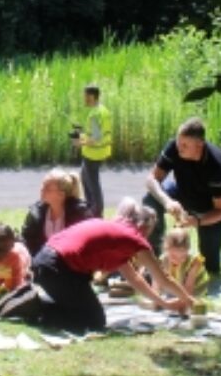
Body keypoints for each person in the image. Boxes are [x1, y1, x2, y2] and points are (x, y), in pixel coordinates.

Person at [21, 198, 196, 333]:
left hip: (46, 262)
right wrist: (189, 300)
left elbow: (135, 278)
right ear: (142, 226)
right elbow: (163, 279)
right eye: (148, 232)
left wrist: (163, 303)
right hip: (58, 267)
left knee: (86, 312)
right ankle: (35, 308)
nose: (147, 237)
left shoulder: (118, 233)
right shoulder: (133, 238)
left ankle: (33, 303)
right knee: (93, 321)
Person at [142, 117, 221, 278]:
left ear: (199, 145)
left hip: (209, 209)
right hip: (181, 194)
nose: (179, 148)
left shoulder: (220, 165)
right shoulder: (174, 148)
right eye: (178, 142)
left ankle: (204, 268)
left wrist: (196, 221)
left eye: (184, 145)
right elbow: (151, 179)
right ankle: (154, 261)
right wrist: (167, 201)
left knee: (210, 267)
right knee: (150, 200)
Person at [19, 168, 92, 258]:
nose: (42, 190)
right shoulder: (35, 213)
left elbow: (86, 245)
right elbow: (26, 241)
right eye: (42, 185)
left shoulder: (79, 214)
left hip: (71, 266)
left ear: (61, 194)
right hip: (41, 264)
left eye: (47, 188)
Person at [75, 84, 112, 217]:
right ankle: (92, 208)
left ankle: (96, 211)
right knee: (85, 178)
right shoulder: (102, 110)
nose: (84, 98)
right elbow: (98, 134)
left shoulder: (94, 115)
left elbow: (96, 137)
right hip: (99, 152)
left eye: (85, 96)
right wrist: (83, 136)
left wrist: (81, 142)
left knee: (92, 184)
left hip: (93, 154)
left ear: (91, 96)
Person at [154, 228, 211, 298]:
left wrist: (182, 301)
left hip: (195, 289)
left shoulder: (195, 262)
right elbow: (156, 280)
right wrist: (156, 297)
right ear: (166, 249)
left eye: (183, 256)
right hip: (178, 286)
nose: (178, 260)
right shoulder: (163, 260)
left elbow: (189, 287)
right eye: (173, 256)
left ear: (188, 250)